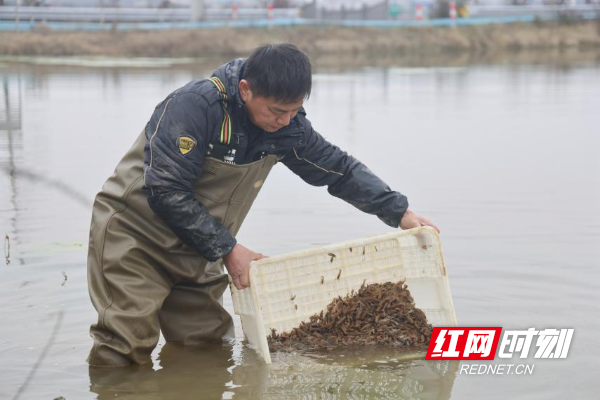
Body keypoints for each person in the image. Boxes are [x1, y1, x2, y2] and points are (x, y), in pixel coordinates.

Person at [86, 43, 439, 367]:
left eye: (294, 110)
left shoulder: (287, 128)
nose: (284, 120)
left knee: (207, 348)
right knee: (125, 349)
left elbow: (338, 170)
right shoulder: (195, 107)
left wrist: (399, 212)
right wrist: (228, 248)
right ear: (246, 90)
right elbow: (165, 190)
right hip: (136, 237)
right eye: (276, 111)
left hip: (199, 245)